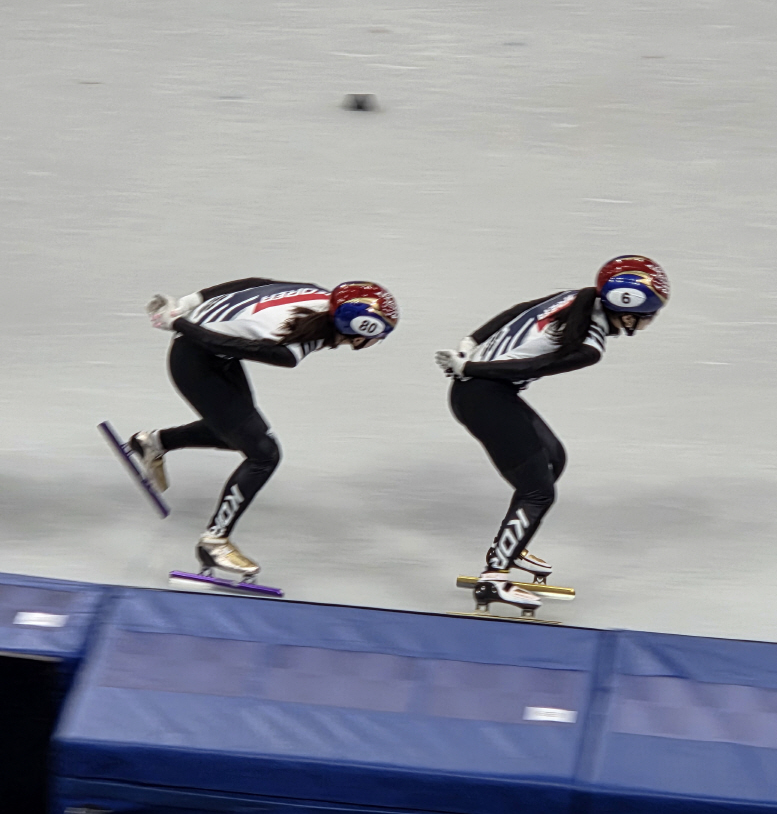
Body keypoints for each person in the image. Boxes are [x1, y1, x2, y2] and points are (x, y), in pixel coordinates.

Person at [435, 255, 669, 613]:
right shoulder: (590, 346)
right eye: (650, 314)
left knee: (554, 458)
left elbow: (517, 310)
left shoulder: (575, 296)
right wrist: (470, 363)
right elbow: (534, 365)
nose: (651, 320)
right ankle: (494, 578)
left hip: (488, 391)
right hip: (483, 395)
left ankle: (510, 545)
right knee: (538, 491)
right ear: (627, 312)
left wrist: (470, 342)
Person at [130, 278, 398, 581]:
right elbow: (228, 343)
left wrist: (191, 301)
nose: (380, 341)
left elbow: (258, 283)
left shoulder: (320, 295)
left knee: (239, 433)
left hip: (211, 352)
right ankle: (214, 542)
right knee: (264, 454)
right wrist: (178, 322)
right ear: (358, 332)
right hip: (197, 358)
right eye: (380, 334)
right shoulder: (292, 349)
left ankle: (154, 443)